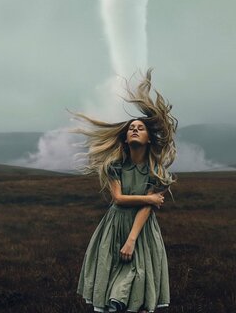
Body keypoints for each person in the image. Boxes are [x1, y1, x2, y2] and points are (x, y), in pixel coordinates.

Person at [74, 68, 178, 313]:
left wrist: (132, 239)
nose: (134, 129)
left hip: (141, 230)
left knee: (137, 281)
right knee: (112, 279)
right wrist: (150, 197)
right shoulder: (114, 166)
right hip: (114, 226)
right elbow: (118, 199)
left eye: (140, 128)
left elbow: (147, 208)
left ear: (149, 138)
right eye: (131, 127)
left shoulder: (157, 171)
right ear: (124, 138)